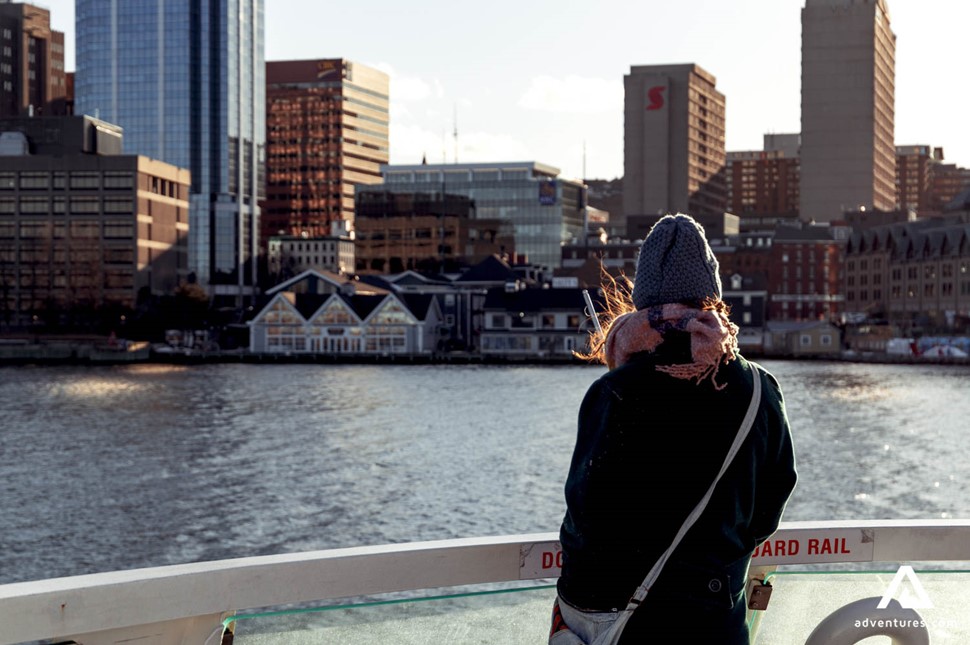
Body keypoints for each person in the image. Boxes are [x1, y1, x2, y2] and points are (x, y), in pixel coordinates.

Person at [550, 213, 797, 644]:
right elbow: (769, 505)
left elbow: (585, 515)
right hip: (714, 619)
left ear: (642, 303)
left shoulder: (613, 391)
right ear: (712, 298)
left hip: (627, 622)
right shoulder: (759, 389)